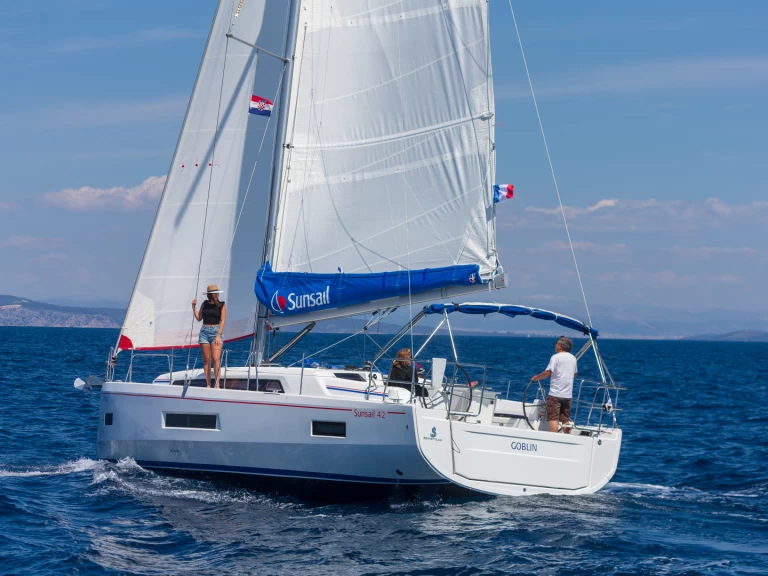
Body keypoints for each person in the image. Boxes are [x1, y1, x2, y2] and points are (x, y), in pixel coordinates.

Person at [531, 336, 578, 433]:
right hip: (568, 395)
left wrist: (537, 378)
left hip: (556, 394)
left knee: (553, 418)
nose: (555, 346)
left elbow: (548, 372)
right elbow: (575, 374)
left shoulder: (555, 357)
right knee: (565, 419)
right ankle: (566, 436)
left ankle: (555, 438)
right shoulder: (573, 358)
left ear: (560, 346)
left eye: (556, 344)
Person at [191, 285, 227, 389]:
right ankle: (208, 384)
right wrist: (194, 308)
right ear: (210, 294)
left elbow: (223, 321)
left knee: (216, 359)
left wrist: (218, 335)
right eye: (214, 293)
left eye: (217, 293)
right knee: (206, 360)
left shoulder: (221, 305)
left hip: (216, 332)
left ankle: (217, 384)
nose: (216, 295)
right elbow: (199, 318)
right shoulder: (204, 304)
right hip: (204, 332)